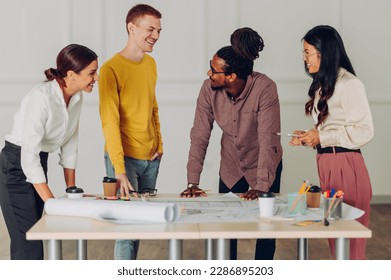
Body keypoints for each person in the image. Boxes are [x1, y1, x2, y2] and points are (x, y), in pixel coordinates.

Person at [180, 27, 283, 260]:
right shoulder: (208, 89)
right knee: (225, 229)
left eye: (214, 70)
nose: (208, 72)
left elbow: (269, 138)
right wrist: (192, 181)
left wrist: (262, 185)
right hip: (231, 167)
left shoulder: (265, 88)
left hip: (263, 164)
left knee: (265, 228)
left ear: (232, 76)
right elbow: (199, 135)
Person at [0, 44, 99, 260]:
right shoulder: (41, 98)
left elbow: (70, 143)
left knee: (36, 238)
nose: (96, 78)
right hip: (16, 166)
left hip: (38, 163)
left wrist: (71, 190)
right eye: (92, 72)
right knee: (28, 244)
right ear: (71, 74)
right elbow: (28, 157)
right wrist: (53, 203)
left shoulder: (76, 97)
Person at [289, 25, 374, 260]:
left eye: (307, 52)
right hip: (327, 165)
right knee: (337, 243)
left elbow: (364, 131)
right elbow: (333, 128)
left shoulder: (350, 84)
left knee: (350, 246)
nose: (304, 58)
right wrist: (311, 137)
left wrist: (322, 137)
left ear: (323, 52)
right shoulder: (323, 85)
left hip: (347, 166)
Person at [98, 4, 163, 260]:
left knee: (140, 227)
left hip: (151, 158)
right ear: (131, 28)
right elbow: (109, 123)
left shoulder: (151, 64)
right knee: (126, 229)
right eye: (150, 29)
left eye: (159, 30)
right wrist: (119, 170)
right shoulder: (110, 69)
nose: (156, 36)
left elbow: (153, 107)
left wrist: (160, 145)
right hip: (124, 161)